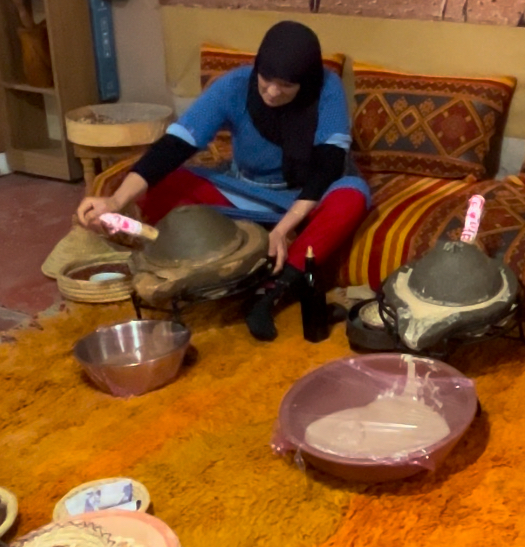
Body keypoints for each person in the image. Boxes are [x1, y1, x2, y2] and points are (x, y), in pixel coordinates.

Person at [78, 22, 370, 342]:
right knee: (167, 182)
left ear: (306, 81)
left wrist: (283, 229)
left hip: (310, 195)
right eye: (266, 79)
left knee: (353, 197)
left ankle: (271, 292)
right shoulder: (233, 85)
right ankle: (190, 264)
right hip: (248, 190)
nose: (273, 92)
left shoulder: (327, 88)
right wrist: (115, 202)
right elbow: (176, 144)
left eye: (286, 85)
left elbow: (328, 166)